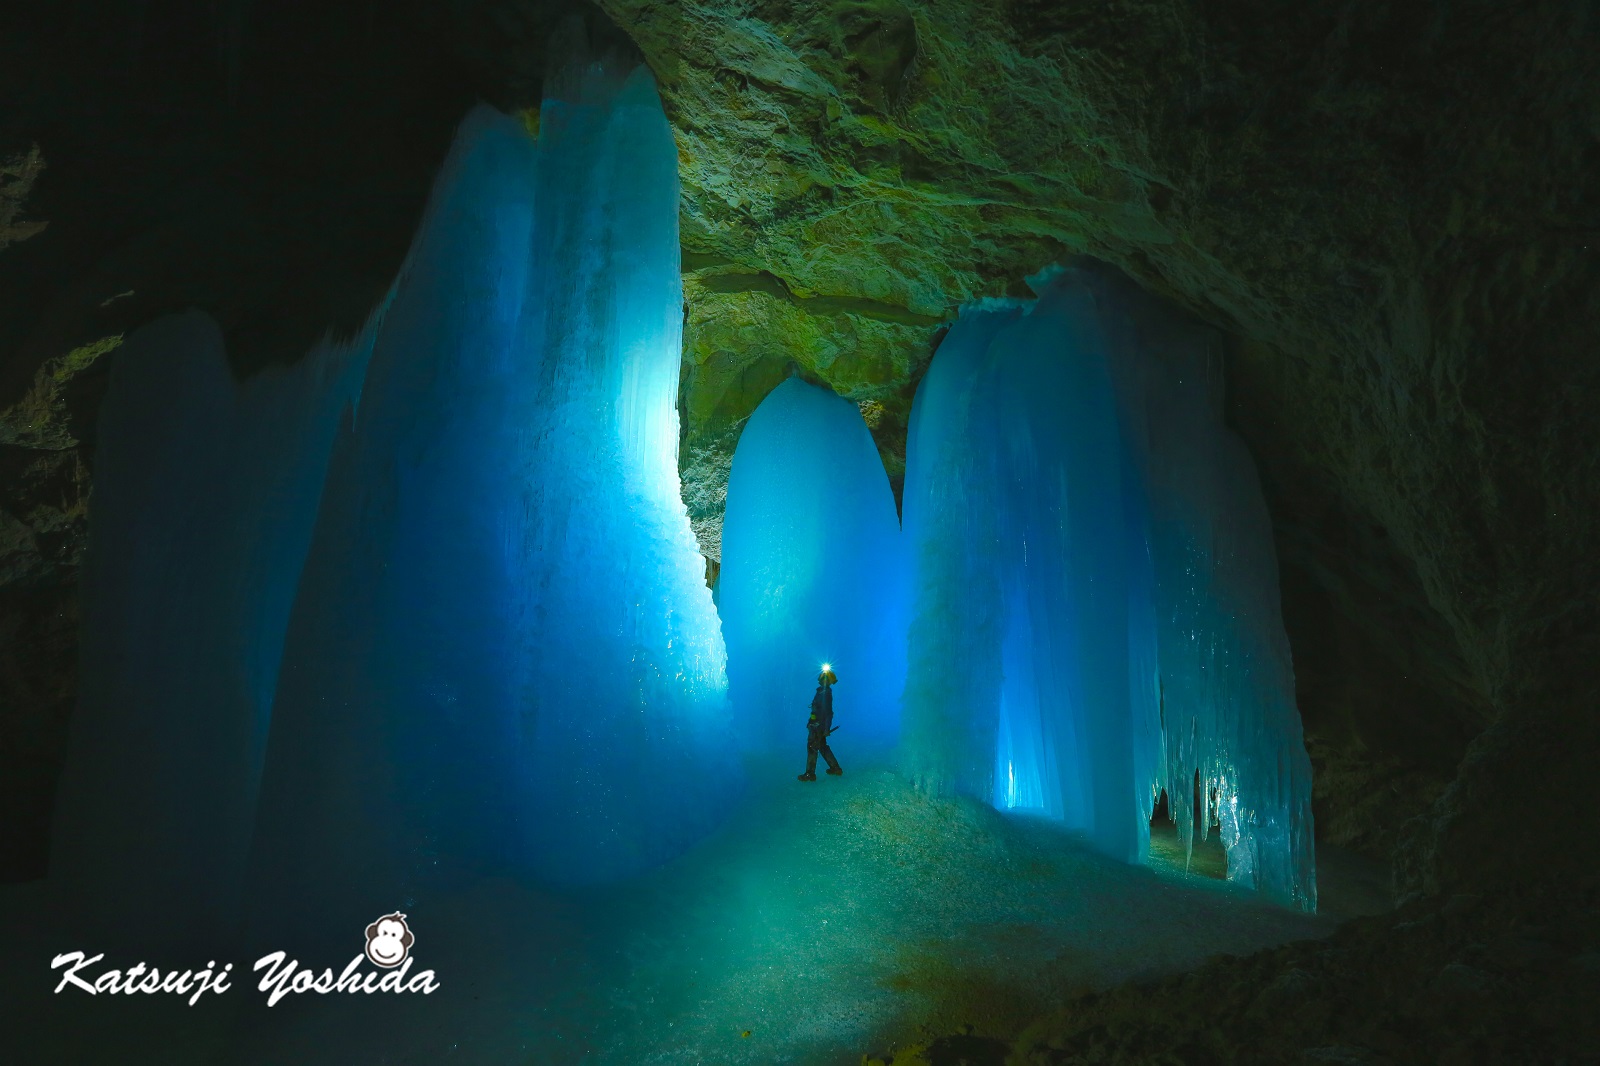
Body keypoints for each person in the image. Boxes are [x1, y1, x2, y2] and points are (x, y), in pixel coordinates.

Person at [798, 665, 842, 781]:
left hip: (818, 726)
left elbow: (828, 713)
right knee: (822, 746)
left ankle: (810, 774)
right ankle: (835, 768)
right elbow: (818, 710)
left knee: (813, 747)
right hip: (816, 725)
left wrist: (826, 728)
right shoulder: (823, 692)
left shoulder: (825, 693)